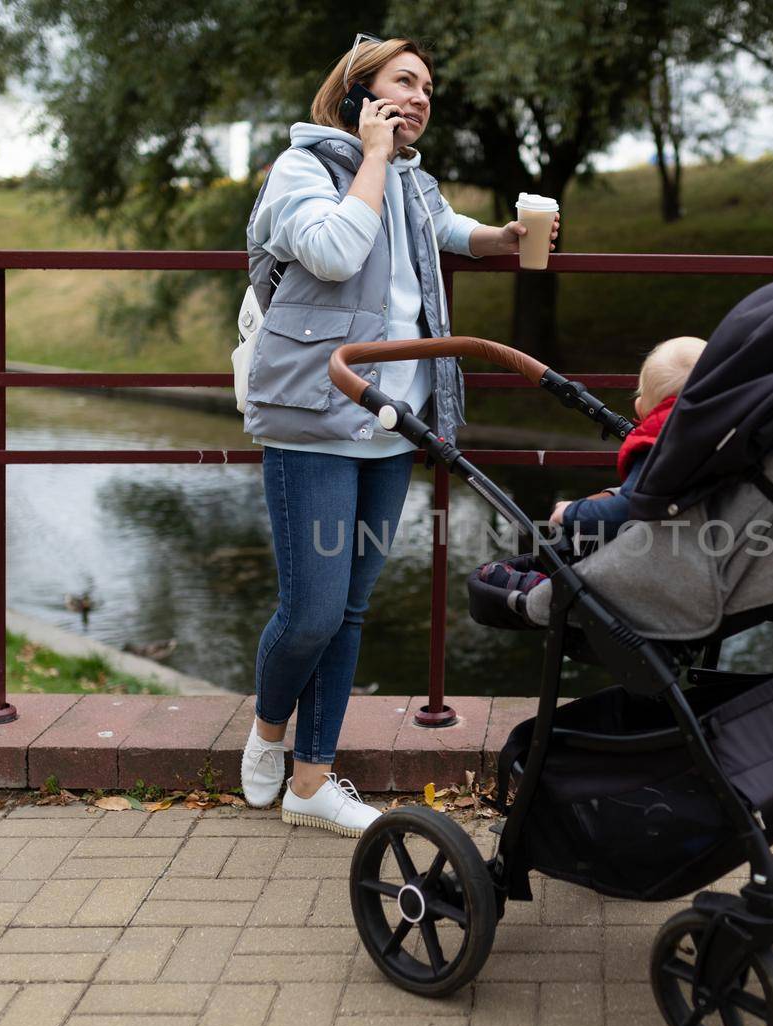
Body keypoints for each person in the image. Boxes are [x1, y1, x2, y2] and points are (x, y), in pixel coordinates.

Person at [239, 35, 561, 836]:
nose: (420, 97)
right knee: (309, 610)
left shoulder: (414, 184)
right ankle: (268, 728)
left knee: (349, 608)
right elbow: (337, 251)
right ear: (357, 94)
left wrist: (511, 238)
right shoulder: (302, 170)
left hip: (391, 421)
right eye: (404, 82)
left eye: (428, 86)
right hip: (315, 414)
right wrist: (372, 154)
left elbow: (448, 232)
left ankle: (311, 780)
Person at [549, 335, 705, 543]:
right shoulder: (724, 434)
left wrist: (570, 512)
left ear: (641, 408)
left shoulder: (660, 449)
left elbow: (628, 510)